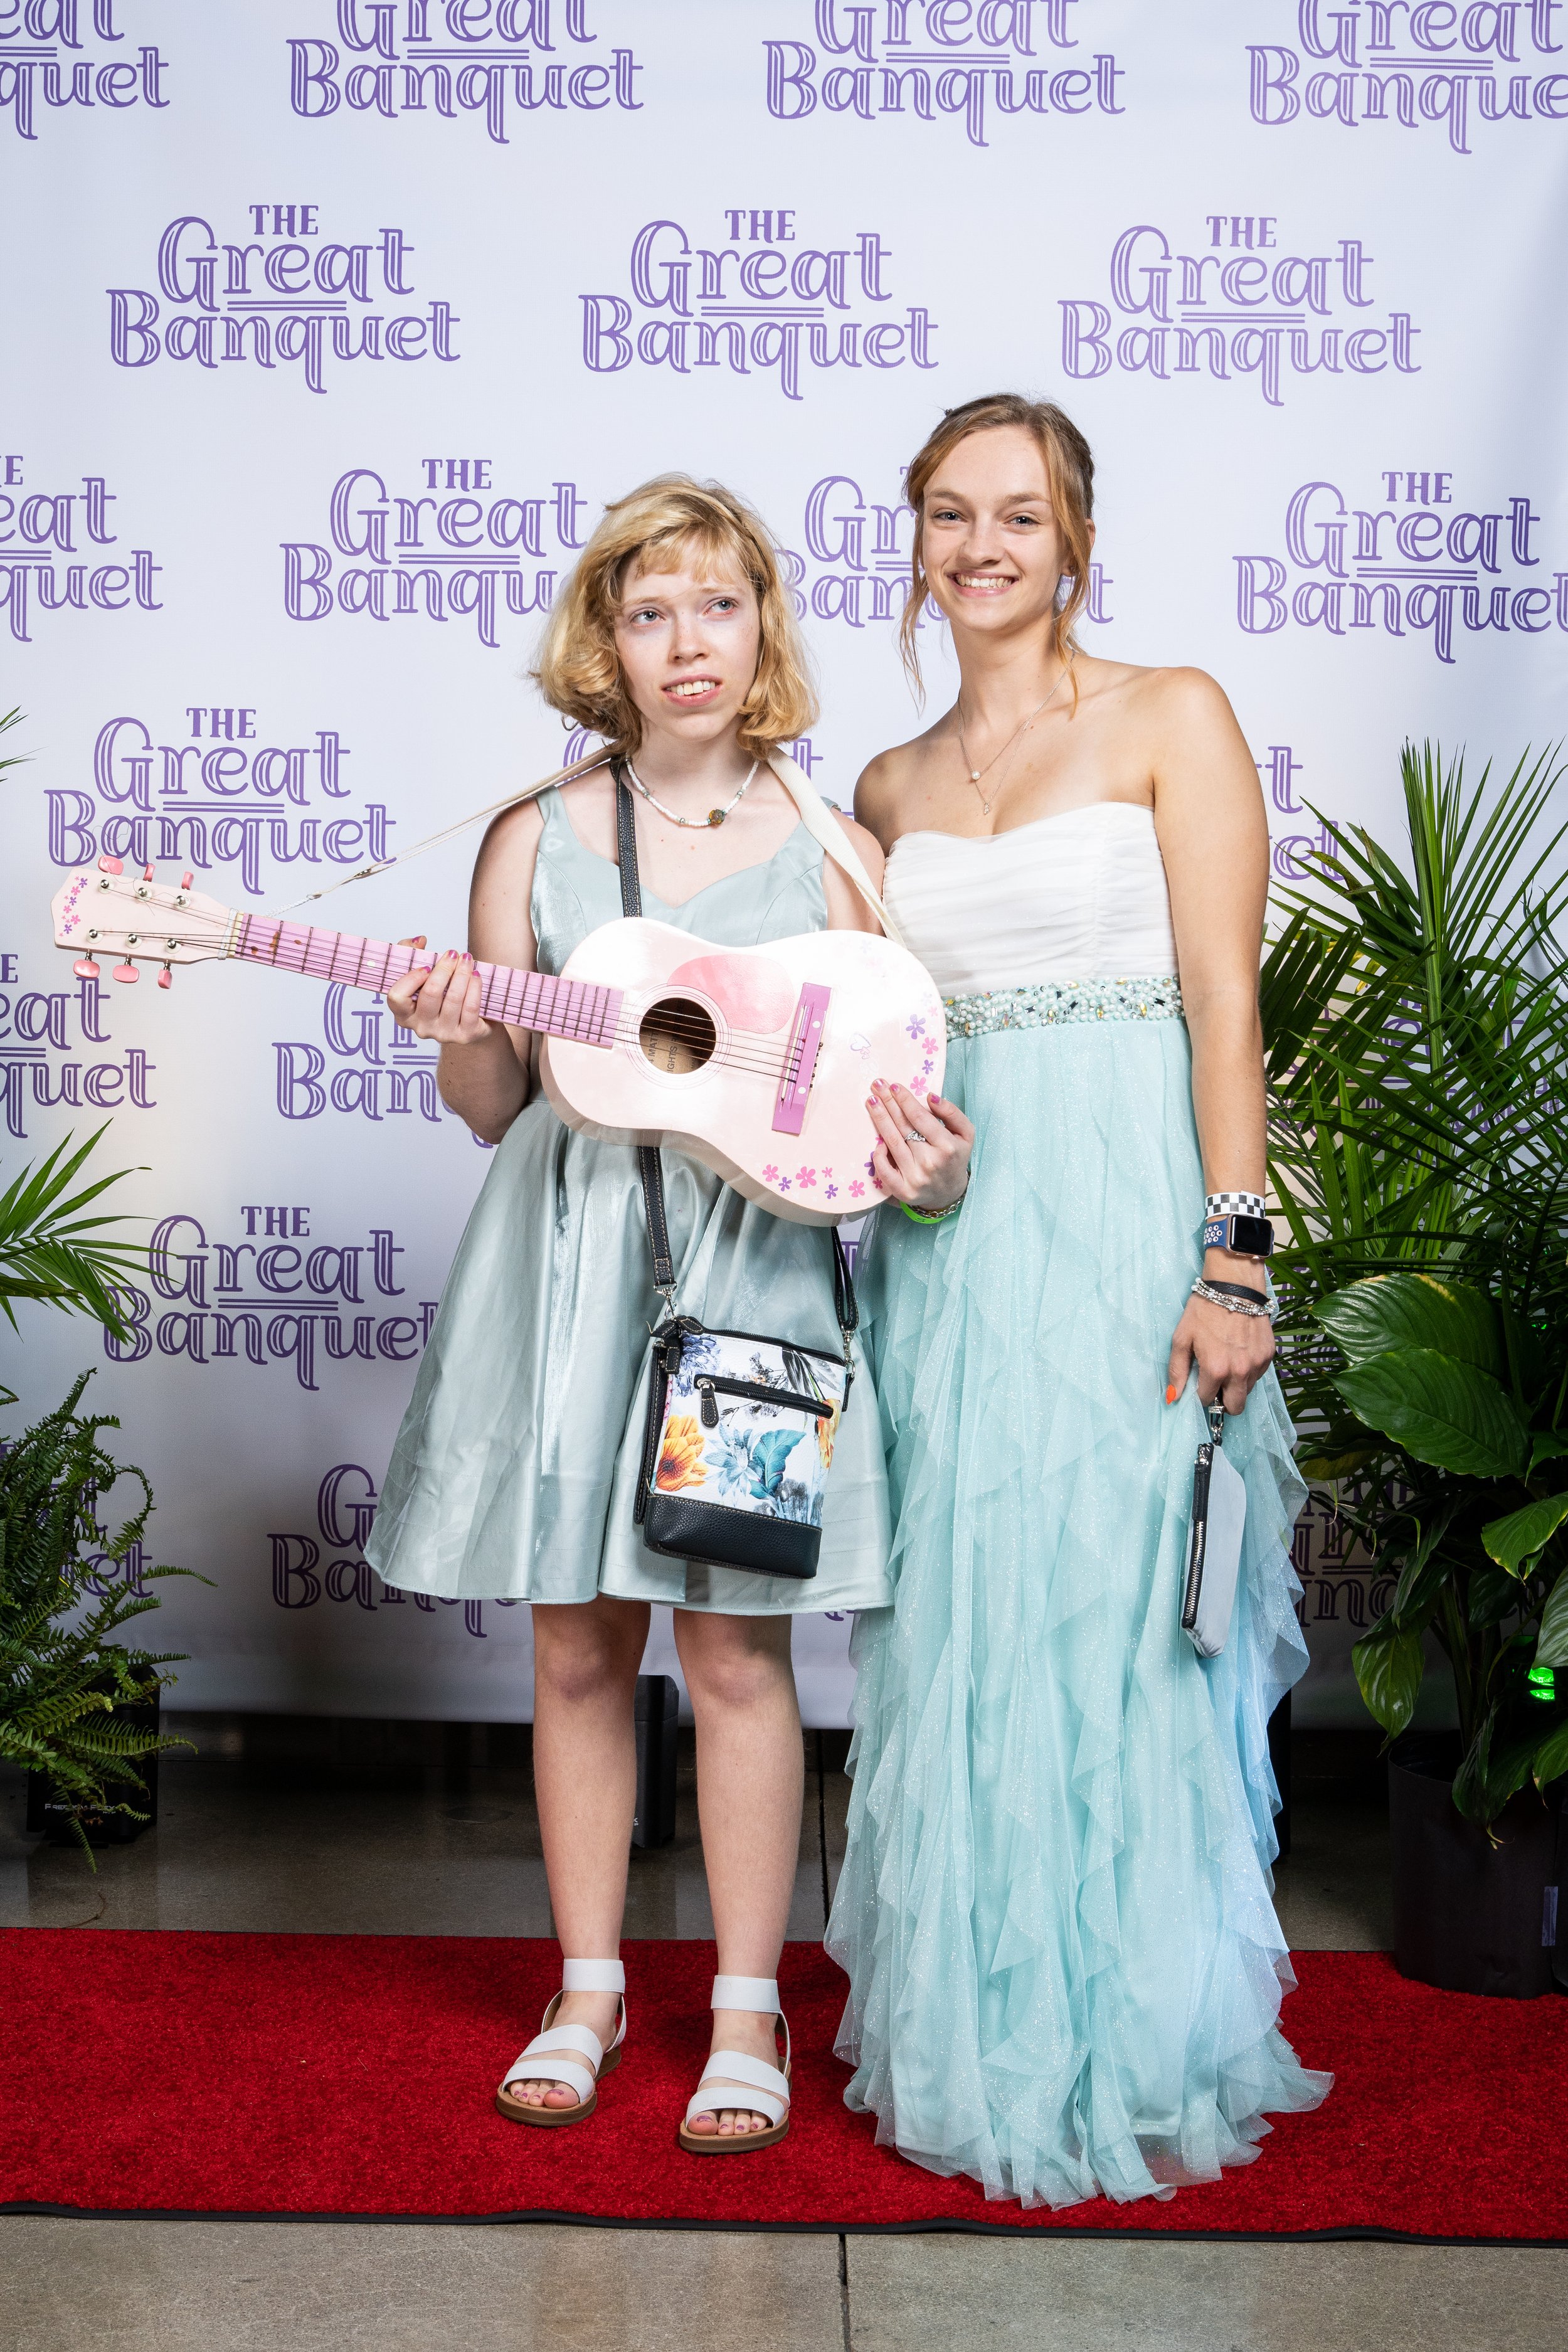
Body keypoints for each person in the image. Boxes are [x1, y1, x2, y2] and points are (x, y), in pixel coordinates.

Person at [825, 394, 1331, 2208]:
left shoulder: (1170, 714)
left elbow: (1222, 999)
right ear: (915, 541)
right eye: (949, 515)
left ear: (1075, 539)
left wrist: (1232, 1255)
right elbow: (873, 1054)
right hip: (956, 1250)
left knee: (1124, 1628)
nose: (981, 546)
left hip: (1130, 1219)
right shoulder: (883, 790)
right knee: (973, 1626)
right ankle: (981, 2024)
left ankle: (1140, 2035)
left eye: (1017, 516)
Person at [366, 476, 895, 2149]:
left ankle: (746, 2009)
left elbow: (878, 1092)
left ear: (762, 629)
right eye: (647, 609)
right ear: (604, 637)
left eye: (716, 605)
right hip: (567, 1264)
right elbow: (488, 1101)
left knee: (735, 1649)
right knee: (575, 1643)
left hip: (747, 1283)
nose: (685, 642)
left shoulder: (831, 848)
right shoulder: (537, 836)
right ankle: (586, 1985)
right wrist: (451, 1019)